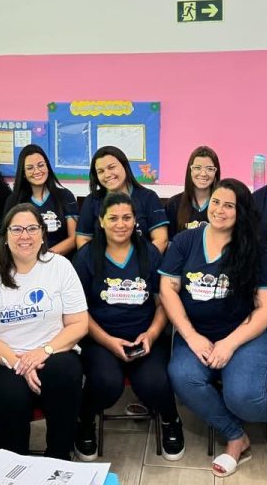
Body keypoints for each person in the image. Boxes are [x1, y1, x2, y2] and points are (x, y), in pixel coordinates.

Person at [158, 178, 267, 477]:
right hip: (198, 333)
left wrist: (229, 343)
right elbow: (168, 290)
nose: (219, 210)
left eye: (229, 205)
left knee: (243, 395)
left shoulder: (254, 248)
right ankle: (235, 436)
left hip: (249, 335)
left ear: (242, 211)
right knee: (182, 377)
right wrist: (191, 336)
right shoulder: (186, 241)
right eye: (216, 202)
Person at [72, 192, 185, 462]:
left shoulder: (149, 253)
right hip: (100, 339)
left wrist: (152, 334)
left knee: (155, 383)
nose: (120, 224)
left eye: (127, 218)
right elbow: (78, 312)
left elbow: (163, 304)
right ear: (101, 221)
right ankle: (84, 421)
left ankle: (171, 420)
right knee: (106, 383)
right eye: (113, 218)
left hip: (145, 336)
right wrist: (109, 341)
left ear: (135, 220)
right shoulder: (87, 257)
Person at [0, 204, 89, 458]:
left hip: (54, 352)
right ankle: (13, 465)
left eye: (32, 228)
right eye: (17, 229)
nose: (25, 236)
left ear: (43, 234)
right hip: (5, 359)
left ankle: (59, 456)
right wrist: (19, 363)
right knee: (9, 394)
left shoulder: (60, 267)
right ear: (4, 236)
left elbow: (79, 323)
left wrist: (43, 351)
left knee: (64, 373)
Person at [77, 146, 169, 252]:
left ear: (125, 166)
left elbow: (161, 239)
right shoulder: (92, 200)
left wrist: (142, 265)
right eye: (100, 171)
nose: (107, 174)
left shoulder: (148, 197)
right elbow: (82, 239)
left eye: (111, 167)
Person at [6, 144, 78, 256]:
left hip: (59, 262)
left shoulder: (65, 196)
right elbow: (8, 237)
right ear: (23, 173)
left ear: (47, 167)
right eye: (30, 168)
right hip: (25, 261)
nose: (37, 171)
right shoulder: (14, 201)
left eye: (41, 165)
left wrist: (46, 256)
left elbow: (73, 238)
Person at [165, 146, 220, 240]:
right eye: (197, 168)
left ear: (216, 173)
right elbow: (170, 243)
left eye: (210, 169)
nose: (203, 174)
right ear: (190, 171)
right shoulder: (173, 204)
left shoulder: (221, 205)